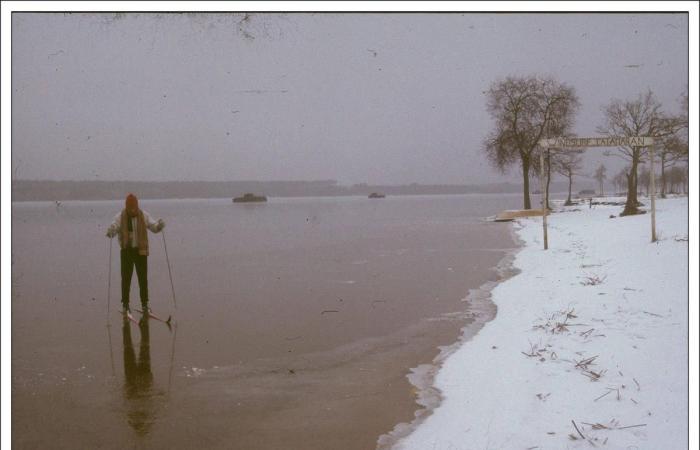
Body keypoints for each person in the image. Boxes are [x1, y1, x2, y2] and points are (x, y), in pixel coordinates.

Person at [106, 193, 165, 313]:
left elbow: (154, 227)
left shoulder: (144, 215)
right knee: (126, 279)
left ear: (137, 205)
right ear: (126, 206)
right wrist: (110, 231)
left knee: (143, 280)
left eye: (134, 207)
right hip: (126, 251)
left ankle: (145, 305)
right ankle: (125, 305)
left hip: (140, 251)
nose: (133, 209)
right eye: (130, 207)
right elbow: (113, 228)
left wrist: (159, 226)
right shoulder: (120, 216)